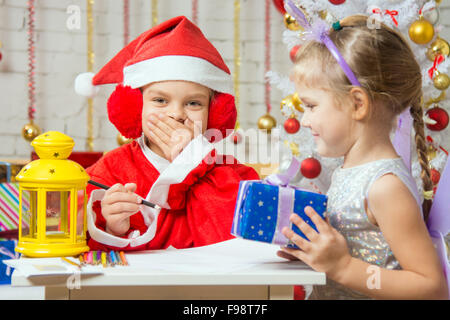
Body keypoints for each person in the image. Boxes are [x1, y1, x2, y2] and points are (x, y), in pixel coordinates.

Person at [277, 15, 448, 299]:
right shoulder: (350, 169)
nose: (304, 121)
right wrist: (317, 251)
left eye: (311, 106)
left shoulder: (385, 186)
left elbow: (431, 287)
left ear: (357, 103)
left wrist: (343, 267)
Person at [74, 16, 259, 251]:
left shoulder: (228, 174)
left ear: (215, 114)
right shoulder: (110, 170)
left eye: (193, 103)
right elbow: (87, 255)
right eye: (160, 100)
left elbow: (238, 245)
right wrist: (113, 228)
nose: (176, 114)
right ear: (134, 107)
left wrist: (193, 161)